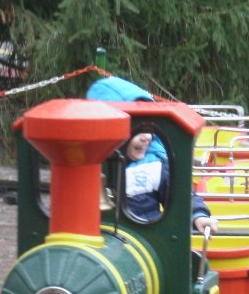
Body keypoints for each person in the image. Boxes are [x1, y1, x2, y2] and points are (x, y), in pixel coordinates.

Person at [86, 76, 219, 235]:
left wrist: (198, 215)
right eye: (137, 130)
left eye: (149, 130)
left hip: (146, 237)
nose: (146, 137)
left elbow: (182, 196)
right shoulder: (88, 167)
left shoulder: (154, 166)